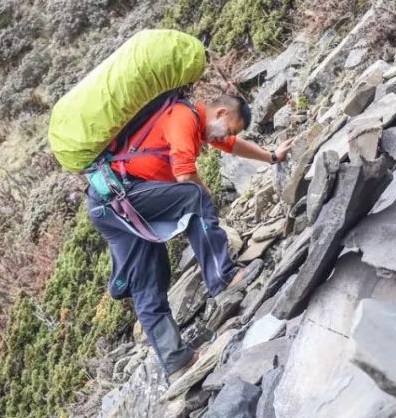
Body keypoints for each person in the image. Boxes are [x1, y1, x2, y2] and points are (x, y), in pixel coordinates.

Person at [87, 92, 292, 382]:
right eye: (231, 127)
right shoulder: (184, 117)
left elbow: (232, 146)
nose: (228, 135)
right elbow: (185, 176)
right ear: (221, 114)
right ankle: (222, 276)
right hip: (120, 198)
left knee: (150, 278)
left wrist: (271, 157)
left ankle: (176, 360)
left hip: (108, 203)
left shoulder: (200, 125)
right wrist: (206, 196)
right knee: (193, 195)